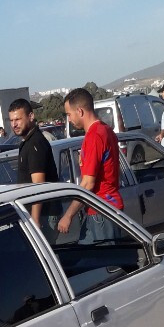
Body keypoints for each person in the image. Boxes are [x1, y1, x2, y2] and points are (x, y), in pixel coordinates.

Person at [58, 88, 123, 239]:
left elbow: (87, 183)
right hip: (104, 209)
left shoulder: (94, 136)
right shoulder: (106, 130)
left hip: (101, 211)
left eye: (69, 114)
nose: (69, 120)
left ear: (79, 111)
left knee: (104, 261)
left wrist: (68, 215)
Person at [8, 98, 58, 224]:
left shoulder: (35, 143)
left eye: (18, 119)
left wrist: (35, 218)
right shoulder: (27, 142)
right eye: (11, 120)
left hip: (44, 215)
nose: (14, 124)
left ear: (31, 116)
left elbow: (38, 184)